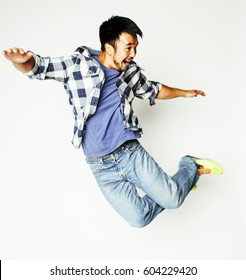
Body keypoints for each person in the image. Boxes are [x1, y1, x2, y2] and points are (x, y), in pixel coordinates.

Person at [3, 15, 223, 228]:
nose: (133, 53)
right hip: (100, 166)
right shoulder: (77, 65)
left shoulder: (130, 71)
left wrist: (185, 93)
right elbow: (40, 67)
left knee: (173, 199)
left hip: (129, 154)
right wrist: (23, 61)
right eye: (128, 47)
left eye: (135, 47)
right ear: (109, 48)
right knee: (139, 219)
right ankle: (175, 186)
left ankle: (189, 165)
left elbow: (153, 90)